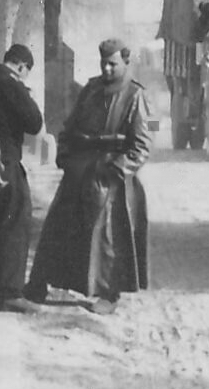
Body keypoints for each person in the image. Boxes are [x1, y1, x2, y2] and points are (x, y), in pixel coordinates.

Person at [25, 38, 151, 315]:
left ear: (125, 63)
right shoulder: (91, 89)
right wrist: (65, 155)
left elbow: (142, 145)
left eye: (113, 64)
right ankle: (40, 283)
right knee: (57, 228)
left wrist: (116, 170)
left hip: (110, 177)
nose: (107, 69)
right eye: (103, 63)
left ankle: (108, 293)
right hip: (79, 169)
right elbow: (69, 127)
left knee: (105, 238)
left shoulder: (136, 96)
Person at [0, 44, 44, 314]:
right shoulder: (11, 84)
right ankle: (8, 293)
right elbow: (34, 123)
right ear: (22, 67)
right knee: (17, 216)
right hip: (4, 159)